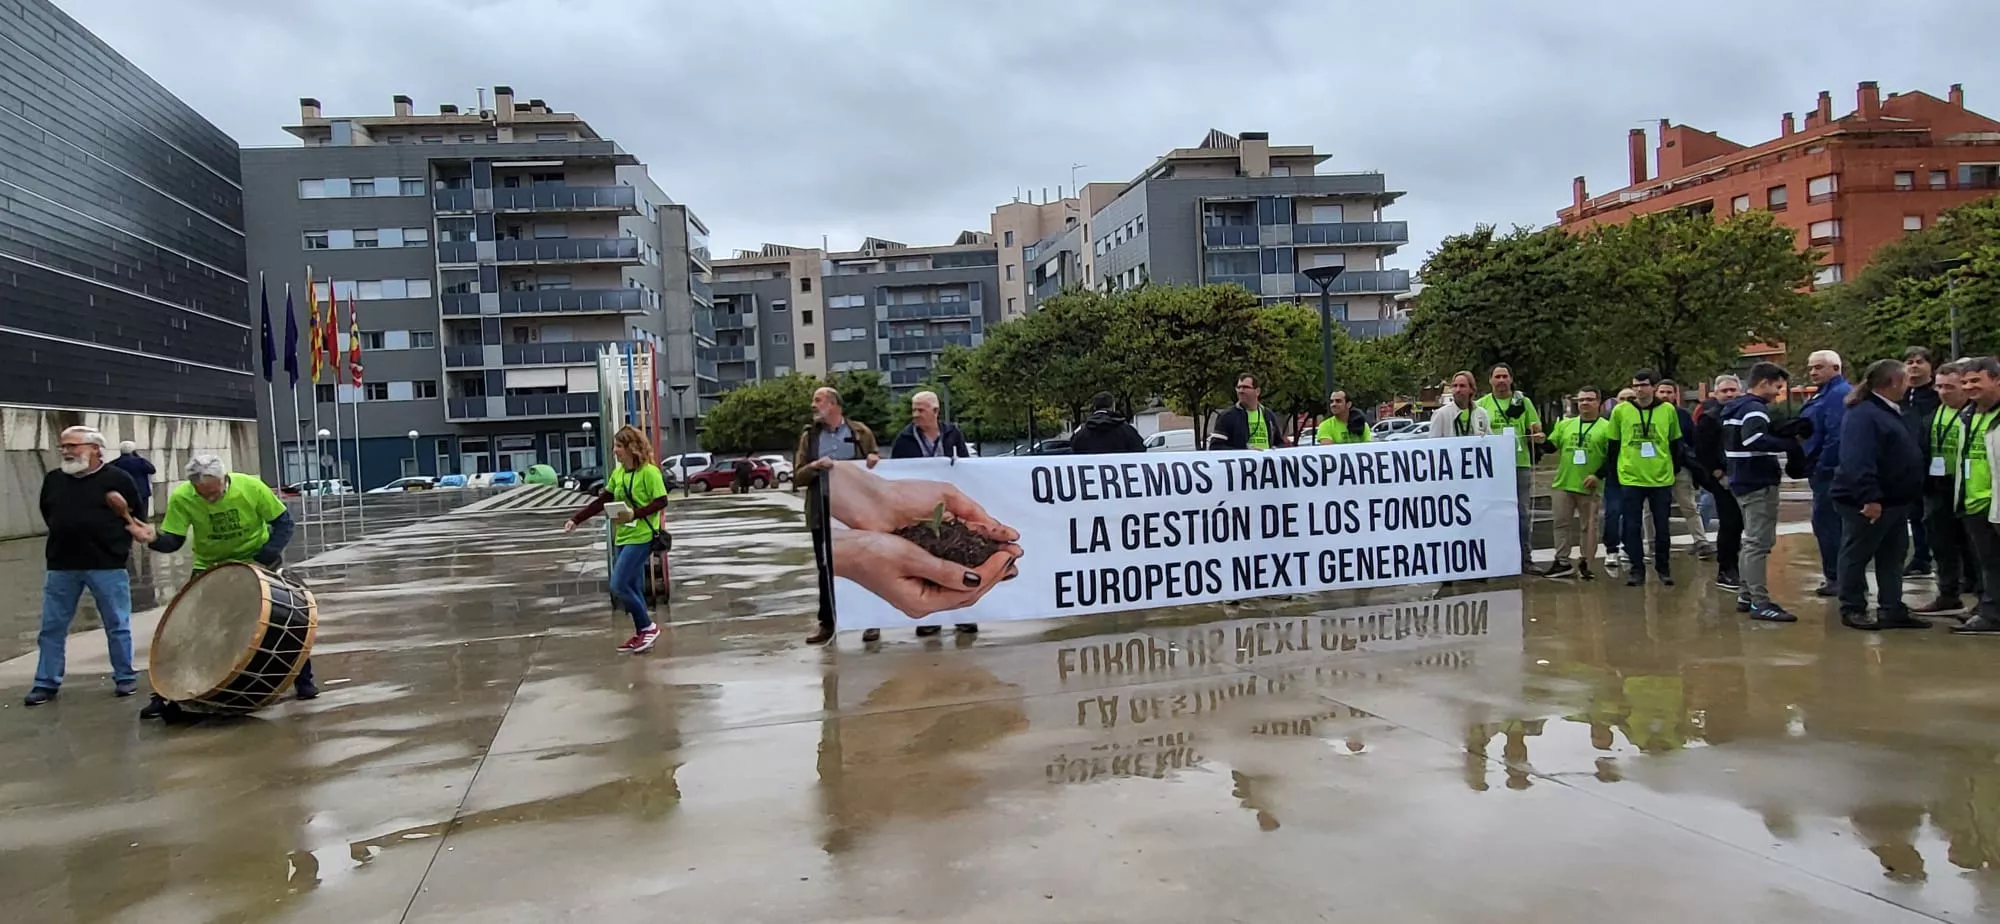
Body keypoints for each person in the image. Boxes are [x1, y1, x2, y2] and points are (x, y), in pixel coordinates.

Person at [138, 454, 310, 718]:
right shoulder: (183, 497)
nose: (209, 498)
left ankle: (304, 679)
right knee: (191, 631)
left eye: (214, 492)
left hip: (256, 558)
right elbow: (173, 540)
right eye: (202, 493)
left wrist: (265, 556)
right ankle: (167, 695)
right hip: (210, 565)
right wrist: (153, 539)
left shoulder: (251, 487)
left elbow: (283, 523)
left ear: (224, 478)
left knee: (286, 618)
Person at [25, 426, 144, 706]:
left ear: (95, 449)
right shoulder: (54, 480)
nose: (66, 451)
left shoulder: (118, 479)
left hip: (106, 564)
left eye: (73, 446)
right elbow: (48, 512)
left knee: (117, 624)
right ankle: (45, 683)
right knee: (52, 627)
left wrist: (117, 545)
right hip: (61, 564)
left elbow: (135, 514)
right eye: (63, 446)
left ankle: (125, 677)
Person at [1831, 359, 1927, 630]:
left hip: (1895, 501)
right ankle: (1852, 607)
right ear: (1893, 382)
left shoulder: (1888, 410)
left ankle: (1892, 608)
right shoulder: (1864, 414)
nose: (1908, 385)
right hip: (1868, 502)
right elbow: (1857, 460)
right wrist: (1869, 497)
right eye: (1905, 380)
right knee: (1856, 554)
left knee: (1893, 556)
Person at [565, 426, 669, 654]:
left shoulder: (649, 472)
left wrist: (635, 514)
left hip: (642, 536)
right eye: (615, 446)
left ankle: (648, 627)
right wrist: (576, 519)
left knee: (618, 585)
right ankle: (642, 634)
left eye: (619, 446)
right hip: (622, 535)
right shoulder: (619, 473)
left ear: (632, 448)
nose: (615, 451)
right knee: (632, 585)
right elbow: (603, 500)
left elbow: (662, 501)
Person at [795, 386, 881, 644]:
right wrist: (814, 466)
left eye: (818, 400)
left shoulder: (860, 433)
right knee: (826, 568)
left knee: (866, 565)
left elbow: (876, 468)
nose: (813, 405)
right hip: (822, 513)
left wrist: (874, 459)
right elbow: (798, 476)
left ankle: (870, 621)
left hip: (857, 515)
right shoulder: (810, 437)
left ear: (833, 404)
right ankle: (827, 623)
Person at [889, 389, 978, 637]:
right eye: (914, 410)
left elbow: (967, 466)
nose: (915, 414)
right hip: (920, 509)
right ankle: (929, 619)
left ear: (935, 411)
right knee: (926, 563)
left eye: (921, 410)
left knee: (957, 559)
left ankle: (962, 616)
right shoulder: (904, 439)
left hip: (950, 508)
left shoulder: (953, 434)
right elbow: (894, 472)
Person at [1723, 362, 1804, 622]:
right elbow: (1753, 439)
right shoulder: (1755, 409)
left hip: (1741, 479)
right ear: (1764, 383)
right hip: (1758, 481)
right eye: (1777, 386)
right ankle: (1760, 601)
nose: (1779, 393)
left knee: (1751, 541)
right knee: (1758, 543)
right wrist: (1789, 443)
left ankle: (1746, 595)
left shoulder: (1736, 407)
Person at [1915, 360, 1981, 617]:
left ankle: (1981, 597)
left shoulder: (1974, 414)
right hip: (1936, 486)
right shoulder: (1933, 414)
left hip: (1966, 486)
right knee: (1940, 543)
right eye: (1939, 387)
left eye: (1950, 387)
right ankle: (1947, 594)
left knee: (1973, 545)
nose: (1943, 392)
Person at [1605, 369, 1680, 586]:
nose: (1639, 389)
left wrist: (1673, 469)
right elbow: (1614, 445)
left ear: (1654, 387)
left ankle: (1663, 568)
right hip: (1631, 477)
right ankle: (1636, 569)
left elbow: (1675, 443)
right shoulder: (1621, 411)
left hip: (1660, 478)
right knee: (1631, 526)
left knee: (1662, 527)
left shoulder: (1668, 410)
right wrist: (1614, 475)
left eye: (1644, 385)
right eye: (1635, 385)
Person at [1950, 357, 2000, 635]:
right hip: (1973, 501)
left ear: (1996, 380)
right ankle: (1988, 607)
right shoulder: (1968, 415)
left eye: (1976, 380)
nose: (1969, 387)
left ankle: (1992, 614)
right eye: (1965, 382)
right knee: (1987, 563)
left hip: (1995, 501)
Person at [1538, 387, 1610, 580]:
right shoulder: (1566, 424)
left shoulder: (1607, 427)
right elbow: (1551, 447)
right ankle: (1562, 561)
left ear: (1598, 402)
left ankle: (1586, 562)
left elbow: (1613, 457)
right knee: (1561, 524)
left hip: (1589, 485)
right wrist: (1540, 441)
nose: (1584, 403)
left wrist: (1598, 475)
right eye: (1581, 400)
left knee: (1589, 526)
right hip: (1564, 482)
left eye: (1589, 399)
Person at [1476, 364, 1541, 571]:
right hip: (1492, 468)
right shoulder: (1481, 405)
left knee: (1521, 513)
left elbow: (1536, 430)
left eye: (1505, 376)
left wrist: (1537, 435)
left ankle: (1525, 559)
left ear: (1511, 379)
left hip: (1519, 463)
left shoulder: (1522, 401)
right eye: (1497, 377)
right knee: (1491, 513)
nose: (1501, 380)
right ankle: (1494, 559)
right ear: (1490, 380)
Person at [1799, 349, 1851, 596]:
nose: (1813, 372)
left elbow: (1836, 436)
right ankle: (1837, 576)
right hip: (1822, 471)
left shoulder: (1838, 395)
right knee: (1826, 525)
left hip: (1830, 473)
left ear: (1836, 368)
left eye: (1818, 367)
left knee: (1829, 525)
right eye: (1811, 367)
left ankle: (1839, 578)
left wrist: (1822, 467)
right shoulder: (1823, 394)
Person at [1648, 380, 1716, 561]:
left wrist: (1690, 461)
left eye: (1669, 392)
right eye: (1662, 392)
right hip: (1652, 469)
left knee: (1689, 506)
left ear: (1675, 394)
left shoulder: (1683, 415)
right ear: (1656, 393)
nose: (1665, 395)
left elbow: (1692, 440)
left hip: (1679, 467)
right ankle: (1652, 542)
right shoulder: (1648, 414)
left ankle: (1700, 540)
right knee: (1650, 509)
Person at [1694, 375, 1746, 592]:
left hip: (1746, 477)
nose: (1729, 394)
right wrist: (1718, 474)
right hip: (1723, 479)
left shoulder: (1746, 414)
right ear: (1715, 394)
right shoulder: (1709, 418)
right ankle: (1726, 569)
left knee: (1743, 525)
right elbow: (1703, 451)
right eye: (1724, 391)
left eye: (1733, 390)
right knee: (1730, 524)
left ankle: (1741, 567)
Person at [1899, 347, 1940, 576]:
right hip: (1908, 464)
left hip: (1932, 462)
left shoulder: (1936, 396)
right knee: (1914, 514)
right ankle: (1920, 557)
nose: (1914, 366)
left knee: (1933, 516)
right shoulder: (1902, 396)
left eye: (1919, 362)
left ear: (1930, 367)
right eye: (1909, 362)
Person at [1601, 386, 1638, 571]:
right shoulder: (1608, 422)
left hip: (1634, 475)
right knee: (1612, 513)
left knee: (1632, 515)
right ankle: (1611, 549)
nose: (1627, 402)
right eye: (1623, 399)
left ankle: (1629, 547)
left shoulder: (1639, 419)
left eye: (1631, 398)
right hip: (1614, 476)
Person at [1209, 374, 1289, 450]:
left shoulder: (1268, 415)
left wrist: (1276, 450)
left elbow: (1279, 443)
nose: (1240, 391)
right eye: (1238, 387)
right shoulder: (1227, 416)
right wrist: (1245, 452)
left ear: (1257, 391)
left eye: (1245, 387)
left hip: (1265, 460)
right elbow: (1216, 446)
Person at [1065, 391, 1145, 454]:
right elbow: (1140, 451)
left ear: (1094, 407)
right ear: (1113, 406)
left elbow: (1072, 452)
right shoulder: (1127, 430)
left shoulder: (1080, 432)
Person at [1429, 371, 1493, 440]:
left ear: (1471, 389)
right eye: (1455, 386)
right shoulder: (1440, 414)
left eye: (1462, 386)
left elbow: (1489, 440)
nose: (1458, 390)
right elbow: (1433, 443)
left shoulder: (1481, 413)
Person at [109, 440, 157, 521]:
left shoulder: (115, 463)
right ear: (133, 451)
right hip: (142, 494)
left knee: (125, 518)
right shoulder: (140, 462)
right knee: (142, 517)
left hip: (123, 494)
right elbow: (152, 470)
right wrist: (137, 456)